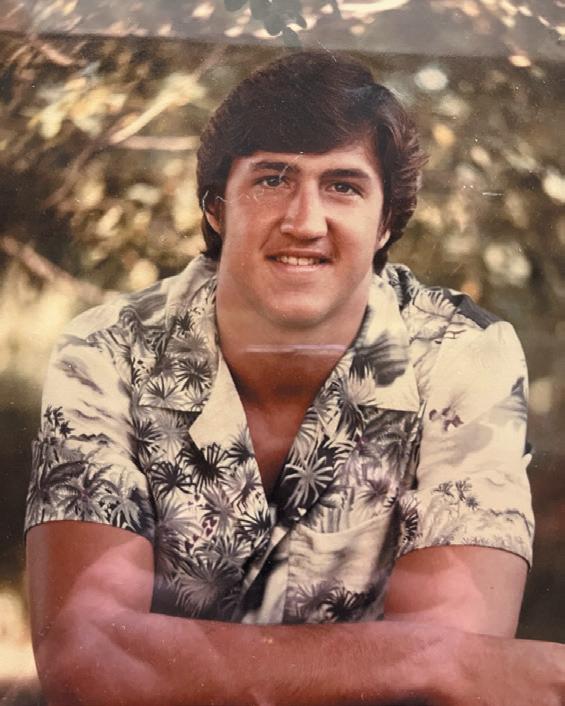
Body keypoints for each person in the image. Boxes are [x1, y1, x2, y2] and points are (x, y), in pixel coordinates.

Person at [25, 51, 564, 706]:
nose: (304, 222)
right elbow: (85, 659)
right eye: (273, 179)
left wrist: (166, 660)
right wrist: (422, 659)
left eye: (343, 186)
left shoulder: (463, 353)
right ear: (217, 207)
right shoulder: (109, 348)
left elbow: (452, 674)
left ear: (385, 222)